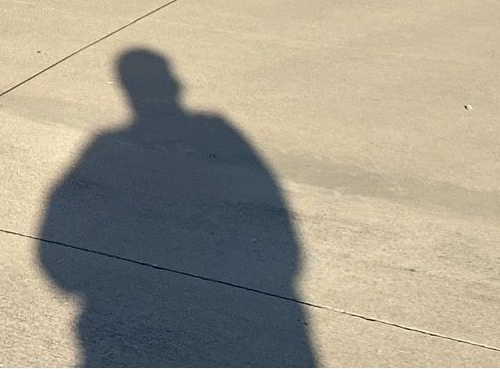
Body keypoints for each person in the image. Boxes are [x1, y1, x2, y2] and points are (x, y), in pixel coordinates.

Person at [39, 48, 316, 366]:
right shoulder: (215, 131)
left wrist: (84, 286)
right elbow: (274, 221)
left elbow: (59, 219)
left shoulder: (112, 145)